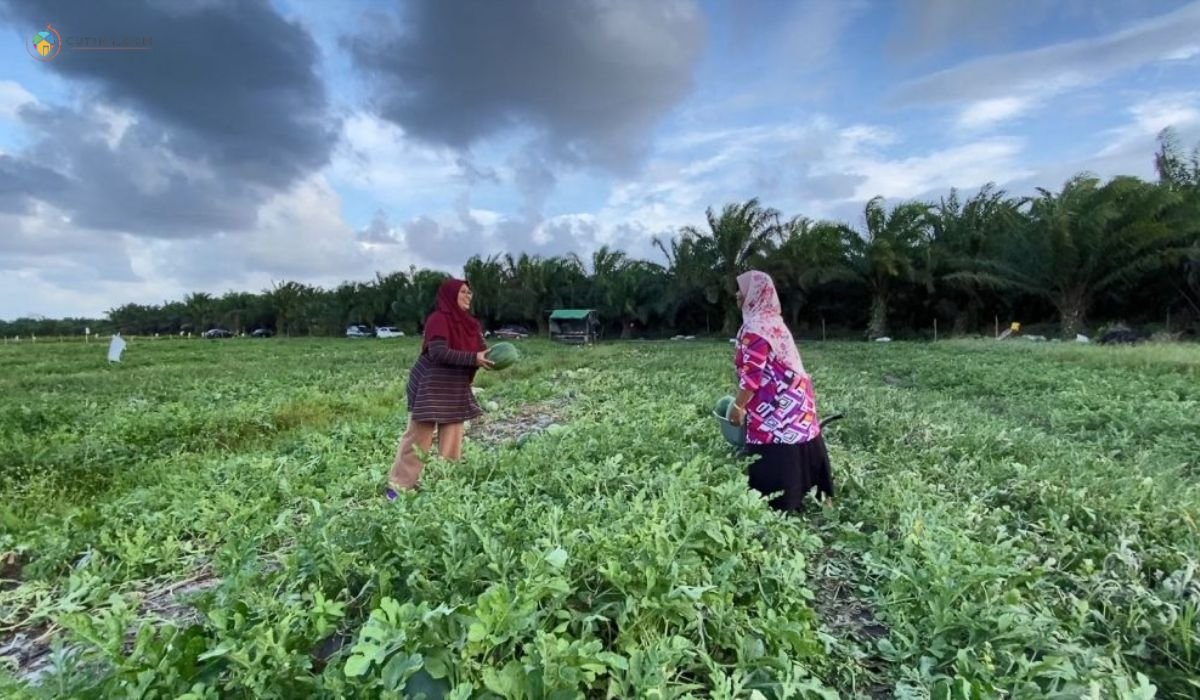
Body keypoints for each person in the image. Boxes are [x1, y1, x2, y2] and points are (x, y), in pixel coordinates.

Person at [727, 270, 834, 511]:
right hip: (796, 395)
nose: (737, 294)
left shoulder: (755, 328)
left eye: (741, 290)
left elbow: (752, 377)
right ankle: (814, 494)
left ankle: (781, 502)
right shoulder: (774, 321)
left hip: (775, 402)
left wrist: (738, 406)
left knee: (775, 446)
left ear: (755, 294)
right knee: (800, 440)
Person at [386, 278, 493, 499]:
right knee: (418, 437)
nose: (468, 296)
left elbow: (482, 351)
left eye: (470, 293)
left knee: (453, 437)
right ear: (450, 295)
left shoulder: (470, 324)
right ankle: (399, 487)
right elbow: (438, 352)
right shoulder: (439, 320)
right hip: (430, 382)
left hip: (454, 383)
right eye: (463, 292)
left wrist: (491, 358)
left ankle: (445, 487)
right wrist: (474, 358)